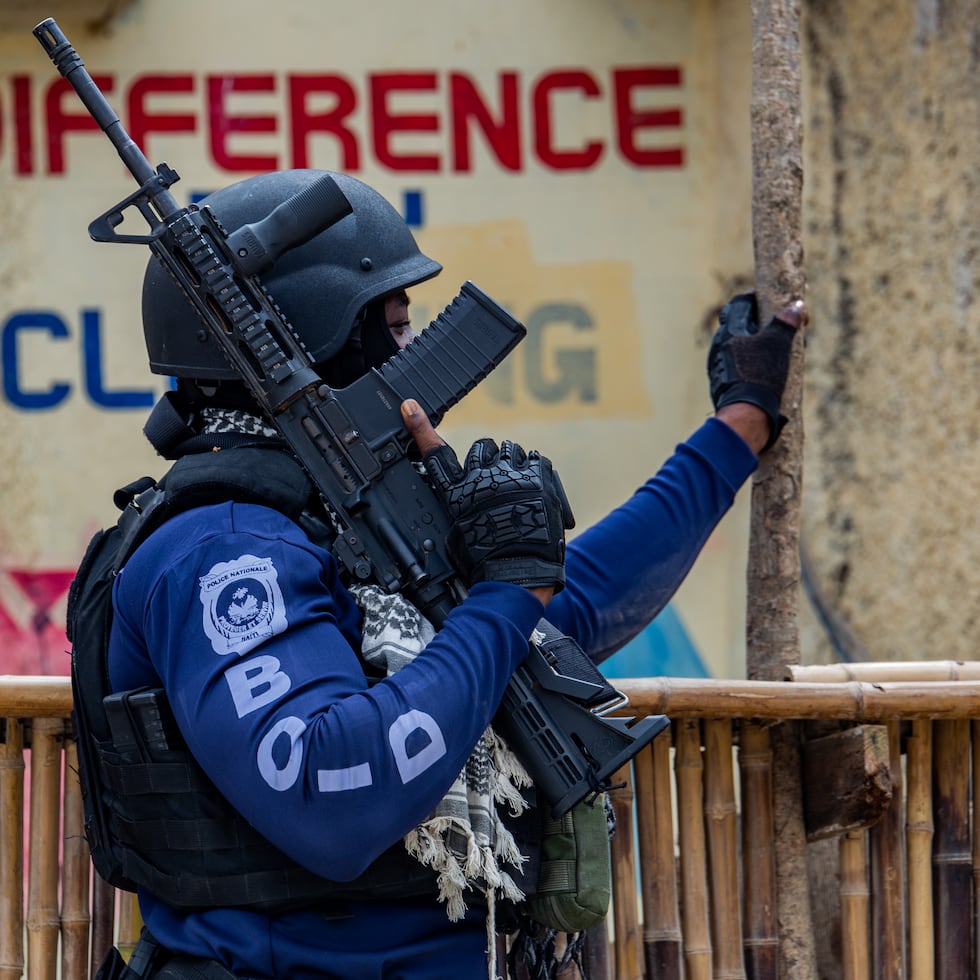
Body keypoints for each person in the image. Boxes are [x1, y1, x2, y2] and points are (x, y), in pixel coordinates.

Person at [76, 168, 805, 980]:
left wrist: (738, 426)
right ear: (326, 342)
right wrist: (501, 597)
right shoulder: (230, 551)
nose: (411, 354)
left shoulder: (340, 525)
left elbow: (566, 607)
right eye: (393, 327)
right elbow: (330, 795)